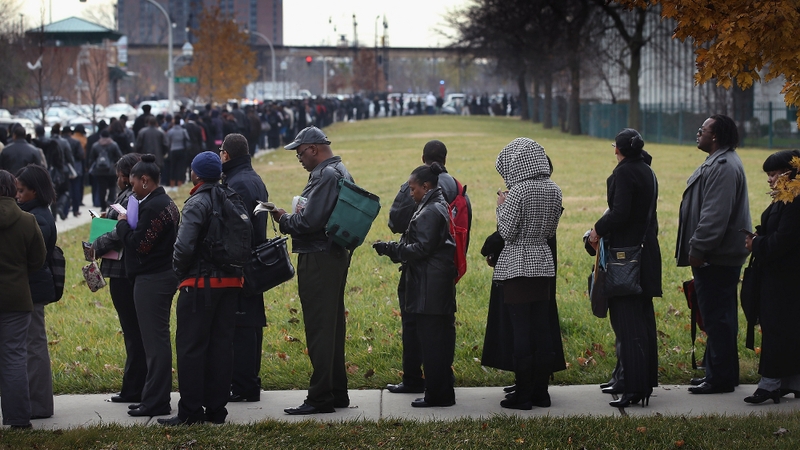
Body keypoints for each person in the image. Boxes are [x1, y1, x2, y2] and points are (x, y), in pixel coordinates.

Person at [269, 126, 351, 415]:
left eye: (300, 153)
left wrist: (283, 218)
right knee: (332, 327)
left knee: (319, 327)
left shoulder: (325, 175)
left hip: (318, 257)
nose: (299, 159)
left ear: (314, 149)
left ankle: (320, 397)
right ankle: (336, 392)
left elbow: (308, 222)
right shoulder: (340, 169)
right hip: (333, 255)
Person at [158, 152, 242, 426]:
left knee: (191, 348)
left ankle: (191, 411)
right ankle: (217, 410)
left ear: (195, 174)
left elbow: (183, 246)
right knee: (221, 347)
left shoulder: (197, 201)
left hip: (199, 285)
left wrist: (180, 273)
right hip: (231, 283)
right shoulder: (230, 196)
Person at [384, 140, 472, 395]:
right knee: (443, 326)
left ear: (423, 157)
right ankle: (443, 377)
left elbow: (396, 221)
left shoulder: (421, 187)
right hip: (449, 264)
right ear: (445, 158)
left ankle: (414, 378)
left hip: (422, 268)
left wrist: (394, 248)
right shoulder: (457, 186)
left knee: (415, 324)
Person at [677, 114, 751, 395]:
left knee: (717, 319)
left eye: (703, 130)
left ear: (716, 136)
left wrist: (698, 249)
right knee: (720, 317)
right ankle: (721, 373)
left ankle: (719, 379)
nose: (699, 133)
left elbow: (714, 216)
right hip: (717, 255)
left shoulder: (723, 165)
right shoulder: (722, 161)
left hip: (716, 256)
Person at [374, 163, 458, 407]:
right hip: (432, 284)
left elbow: (422, 248)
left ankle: (437, 394)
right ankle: (440, 392)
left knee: (432, 343)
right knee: (435, 342)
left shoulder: (431, 209)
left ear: (425, 186)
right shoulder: (433, 205)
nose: (410, 194)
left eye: (413, 189)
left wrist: (391, 249)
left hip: (429, 287)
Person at [588, 129, 661, 407]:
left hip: (626, 258)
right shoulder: (646, 170)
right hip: (645, 253)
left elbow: (620, 213)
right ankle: (632, 378)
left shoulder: (624, 173)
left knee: (627, 322)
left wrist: (596, 230)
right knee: (641, 320)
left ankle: (634, 386)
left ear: (616, 149)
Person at [492, 137, 562, 410]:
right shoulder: (554, 189)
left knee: (521, 332)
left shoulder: (519, 191)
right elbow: (551, 229)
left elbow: (507, 232)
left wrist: (501, 206)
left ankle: (522, 395)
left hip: (519, 264)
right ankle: (541, 393)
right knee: (541, 330)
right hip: (543, 262)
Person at [116, 154, 180, 417]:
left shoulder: (155, 206)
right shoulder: (164, 202)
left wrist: (122, 227)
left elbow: (139, 245)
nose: (131, 189)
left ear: (145, 180)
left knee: (155, 344)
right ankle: (153, 397)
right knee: (155, 342)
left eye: (133, 184)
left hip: (153, 279)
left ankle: (156, 401)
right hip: (159, 276)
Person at [743, 150, 800, 404]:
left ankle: (770, 384)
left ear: (788, 173)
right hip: (780, 275)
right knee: (785, 328)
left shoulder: (794, 201)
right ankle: (790, 381)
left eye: (774, 174)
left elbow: (784, 240)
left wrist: (757, 243)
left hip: (784, 277)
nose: (769, 179)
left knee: (776, 327)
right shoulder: (784, 198)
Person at [91, 153, 146, 405]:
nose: (117, 180)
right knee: (135, 331)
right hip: (127, 269)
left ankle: (133, 387)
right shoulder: (135, 196)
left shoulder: (129, 197)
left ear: (127, 176)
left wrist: (96, 243)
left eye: (119, 176)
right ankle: (136, 385)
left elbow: (119, 232)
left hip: (122, 271)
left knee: (132, 331)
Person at [220, 133, 269, 403]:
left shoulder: (237, 183)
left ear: (226, 155)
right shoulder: (252, 178)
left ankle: (244, 384)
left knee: (241, 326)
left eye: (221, 152)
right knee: (250, 324)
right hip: (255, 258)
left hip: (242, 261)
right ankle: (248, 380)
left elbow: (238, 226)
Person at [0, 169, 46, 429]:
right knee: (14, 356)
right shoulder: (27, 221)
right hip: (17, 297)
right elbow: (38, 260)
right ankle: (18, 418)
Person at [14, 165, 58, 420]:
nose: (17, 195)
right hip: (31, 286)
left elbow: (32, 257)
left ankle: (39, 404)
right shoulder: (33, 212)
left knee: (34, 346)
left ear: (35, 191)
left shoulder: (38, 217)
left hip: (32, 288)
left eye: (21, 191)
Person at [88, 129, 123, 212]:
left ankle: (103, 206)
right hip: (111, 170)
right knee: (112, 188)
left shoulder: (95, 145)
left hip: (99, 171)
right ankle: (111, 202)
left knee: (101, 189)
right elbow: (119, 156)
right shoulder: (113, 144)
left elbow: (91, 158)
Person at [61, 126, 85, 217]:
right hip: (75, 169)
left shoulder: (59, 142)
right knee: (76, 190)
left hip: (63, 169)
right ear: (70, 133)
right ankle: (75, 209)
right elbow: (81, 155)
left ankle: (65, 210)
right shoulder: (75, 142)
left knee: (65, 190)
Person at [166, 114, 190, 188]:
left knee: (173, 167)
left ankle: (172, 184)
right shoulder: (183, 131)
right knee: (181, 167)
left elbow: (167, 142)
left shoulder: (170, 131)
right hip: (181, 150)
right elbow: (188, 139)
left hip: (173, 150)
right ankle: (179, 183)